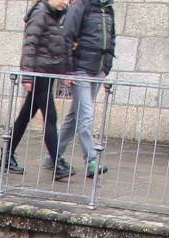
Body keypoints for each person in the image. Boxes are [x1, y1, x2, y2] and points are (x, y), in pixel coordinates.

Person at [5, 0, 74, 180]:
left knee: (25, 116)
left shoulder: (53, 16)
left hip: (47, 73)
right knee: (50, 116)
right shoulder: (40, 14)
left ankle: (6, 157)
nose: (66, 3)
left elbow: (59, 48)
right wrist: (27, 76)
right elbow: (29, 46)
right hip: (39, 74)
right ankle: (57, 163)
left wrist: (66, 72)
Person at [57, 0, 116, 177]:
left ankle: (54, 154)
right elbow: (66, 36)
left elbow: (112, 38)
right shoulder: (80, 6)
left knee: (75, 116)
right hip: (80, 69)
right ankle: (91, 160)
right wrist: (67, 71)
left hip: (98, 70)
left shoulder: (108, 9)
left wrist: (107, 66)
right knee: (86, 114)